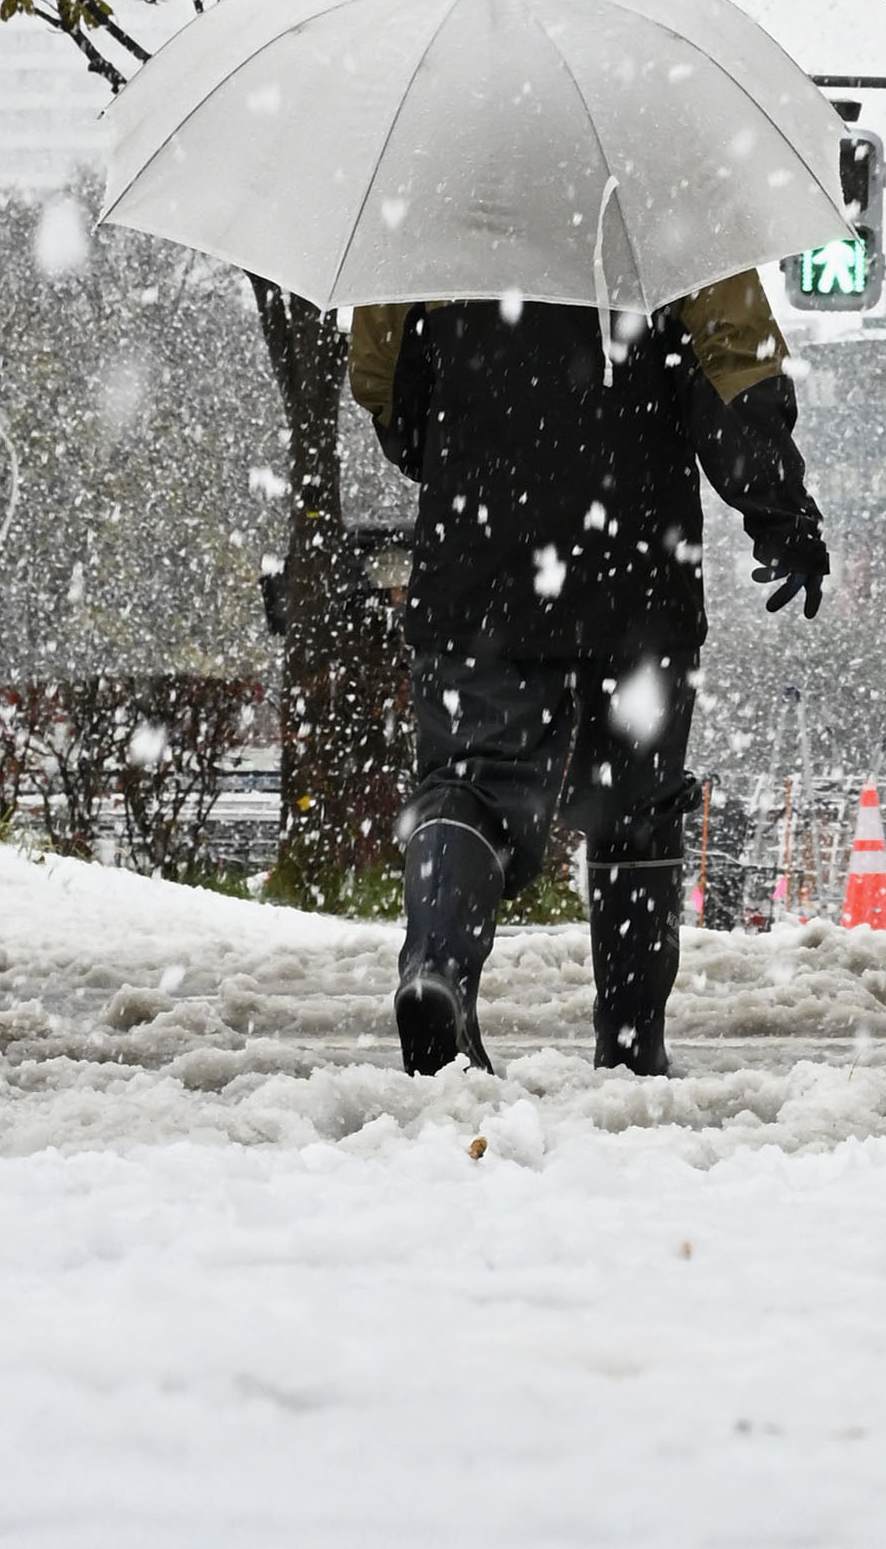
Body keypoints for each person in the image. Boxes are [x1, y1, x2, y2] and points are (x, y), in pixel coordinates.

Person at [350, 268, 829, 1081]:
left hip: (481, 553)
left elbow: (386, 385)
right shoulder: (666, 180)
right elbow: (734, 369)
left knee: (471, 780)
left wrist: (468, 438)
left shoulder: (437, 186)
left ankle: (436, 967)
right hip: (634, 559)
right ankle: (633, 1041)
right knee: (636, 805)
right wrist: (780, 513)